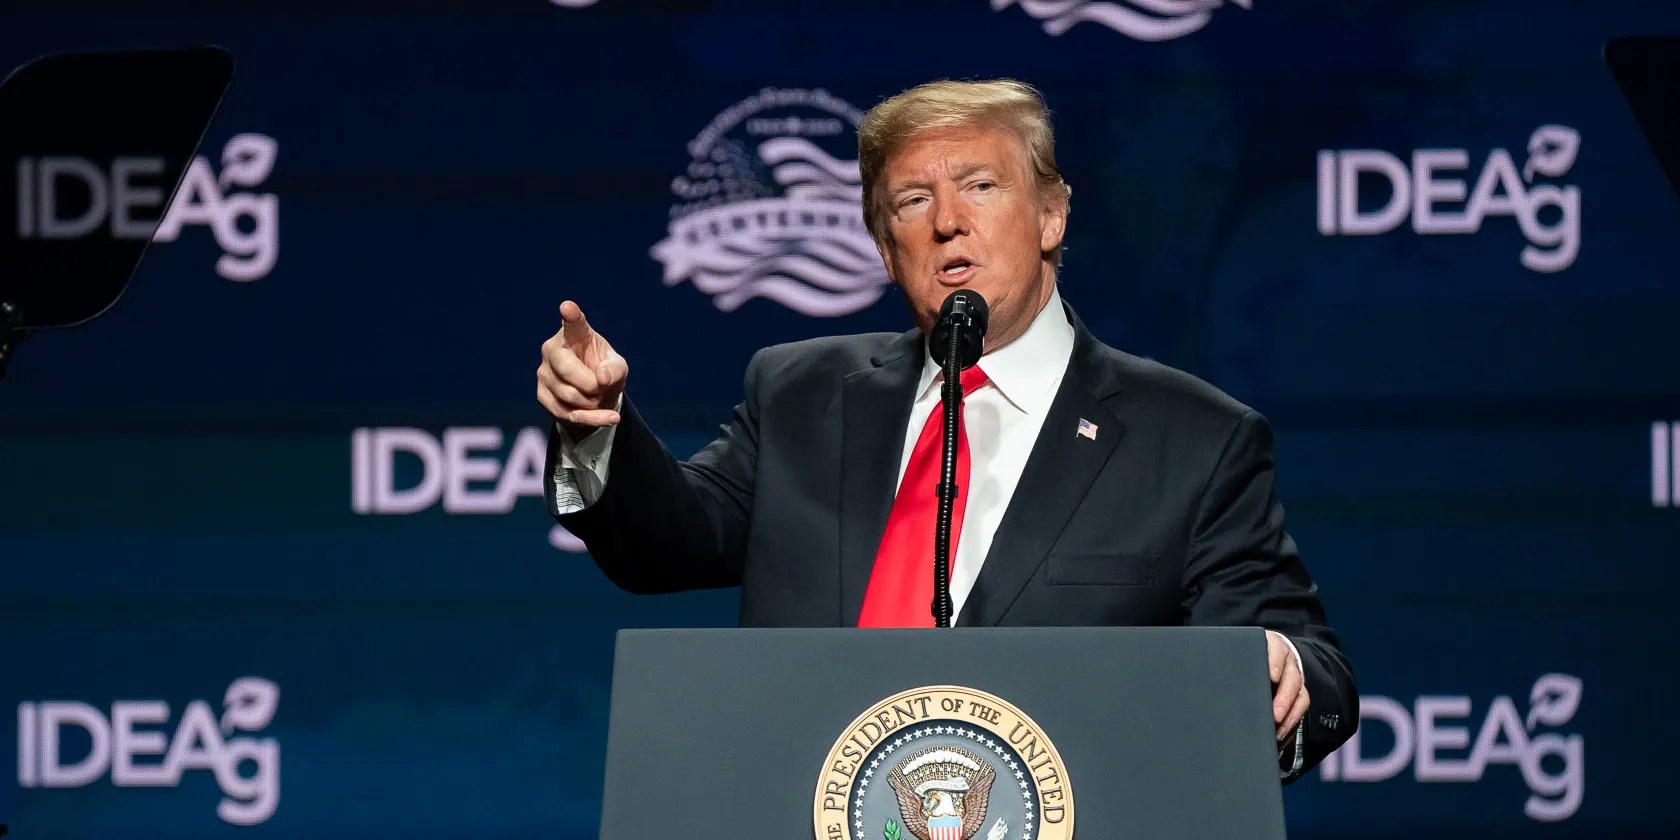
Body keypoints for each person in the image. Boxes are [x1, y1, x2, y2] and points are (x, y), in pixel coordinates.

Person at [536, 79, 1356, 780]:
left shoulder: (1194, 437)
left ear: (1052, 214)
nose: (947, 222)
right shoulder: (802, 393)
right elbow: (666, 543)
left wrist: (1281, 675)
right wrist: (592, 428)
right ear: (886, 248)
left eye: (981, 187)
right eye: (913, 201)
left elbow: (1314, 667)